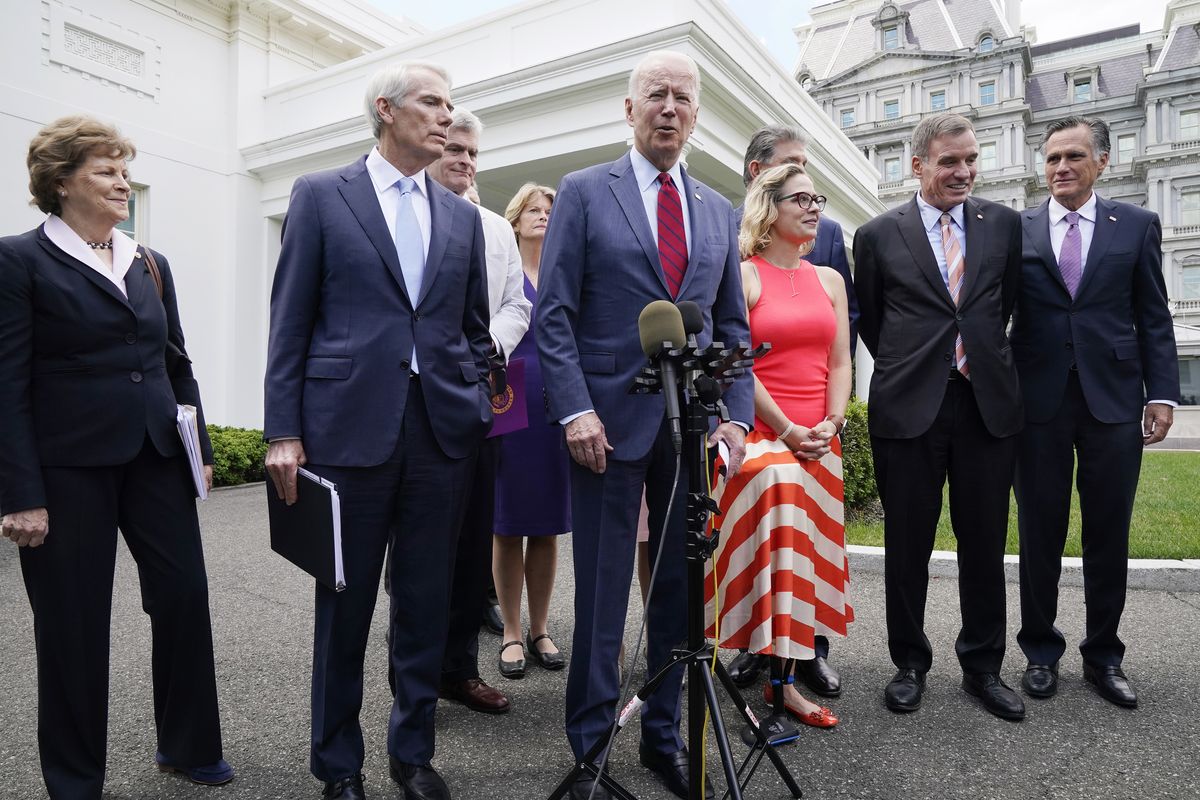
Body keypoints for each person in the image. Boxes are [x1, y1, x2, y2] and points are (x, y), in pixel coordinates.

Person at [264, 61, 491, 800]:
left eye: (452, 107)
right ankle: (338, 767)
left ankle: (413, 754)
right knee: (346, 605)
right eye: (432, 103)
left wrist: (474, 400)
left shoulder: (459, 216)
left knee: (425, 604)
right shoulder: (321, 196)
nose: (447, 118)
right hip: (346, 434)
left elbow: (472, 329)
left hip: (440, 439)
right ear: (386, 110)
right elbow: (290, 323)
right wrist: (282, 432)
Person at [536, 49, 752, 800]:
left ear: (696, 114)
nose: (669, 107)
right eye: (655, 95)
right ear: (629, 111)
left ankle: (665, 739)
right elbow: (554, 312)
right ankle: (591, 750)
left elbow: (730, 325)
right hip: (604, 426)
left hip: (688, 431)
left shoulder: (720, 210)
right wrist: (574, 408)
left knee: (677, 597)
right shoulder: (584, 192)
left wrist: (736, 421)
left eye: (682, 97)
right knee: (602, 597)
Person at [0, 115, 231, 798]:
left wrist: (202, 450)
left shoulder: (149, 262)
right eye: (105, 170)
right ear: (60, 180)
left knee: (185, 597)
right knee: (72, 622)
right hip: (67, 468)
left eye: (124, 170)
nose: (121, 182)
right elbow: (6, 381)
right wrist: (18, 492)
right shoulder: (18, 260)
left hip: (157, 455)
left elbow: (176, 362)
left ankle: (188, 746)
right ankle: (75, 778)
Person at [853, 112, 1026, 722]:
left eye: (971, 159)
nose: (964, 172)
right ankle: (909, 663)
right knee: (908, 543)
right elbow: (872, 320)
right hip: (909, 408)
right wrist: (917, 366)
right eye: (950, 161)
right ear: (918, 163)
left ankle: (983, 666)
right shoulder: (876, 234)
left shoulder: (1004, 225)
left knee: (984, 541)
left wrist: (971, 359)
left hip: (985, 405)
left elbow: (1003, 308)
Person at [1012, 116, 1178, 709]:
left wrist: (1162, 393)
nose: (1060, 167)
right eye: (1052, 157)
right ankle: (1039, 651)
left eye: (1074, 156)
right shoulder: (1019, 228)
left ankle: (1104, 655)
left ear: (1101, 162)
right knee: (1039, 531)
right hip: (1038, 404)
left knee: (1108, 532)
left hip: (1113, 400)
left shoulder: (1135, 225)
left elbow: (1153, 315)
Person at [706, 164, 852, 728]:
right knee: (782, 511)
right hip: (762, 439)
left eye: (818, 198)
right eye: (801, 199)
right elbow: (739, 368)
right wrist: (789, 431)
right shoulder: (744, 276)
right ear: (768, 210)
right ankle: (769, 678)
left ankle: (785, 681)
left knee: (802, 565)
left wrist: (833, 423)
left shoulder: (831, 280)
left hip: (820, 439)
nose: (815, 208)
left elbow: (839, 361)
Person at [426, 109, 531, 715]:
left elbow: (518, 305)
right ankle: (412, 673)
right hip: (419, 404)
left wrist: (485, 344)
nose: (464, 161)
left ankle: (459, 669)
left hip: (479, 402)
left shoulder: (495, 229)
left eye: (472, 153)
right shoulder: (405, 221)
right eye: (454, 149)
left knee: (472, 546)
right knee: (419, 548)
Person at [492, 183, 570, 679]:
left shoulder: (564, 274)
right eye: (534, 210)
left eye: (549, 211)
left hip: (556, 404)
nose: (542, 216)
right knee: (507, 522)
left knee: (546, 524)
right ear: (515, 218)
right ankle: (511, 632)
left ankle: (541, 629)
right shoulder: (502, 271)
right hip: (509, 401)